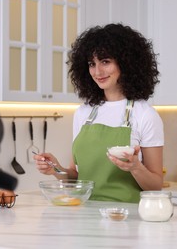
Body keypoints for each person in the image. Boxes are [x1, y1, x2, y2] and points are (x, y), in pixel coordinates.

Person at [34, 23, 164, 203]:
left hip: (125, 218)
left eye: (105, 61)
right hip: (85, 216)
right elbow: (75, 177)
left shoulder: (144, 114)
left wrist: (135, 167)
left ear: (126, 63)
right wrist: (55, 168)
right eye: (91, 64)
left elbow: (156, 185)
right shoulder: (84, 112)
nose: (97, 72)